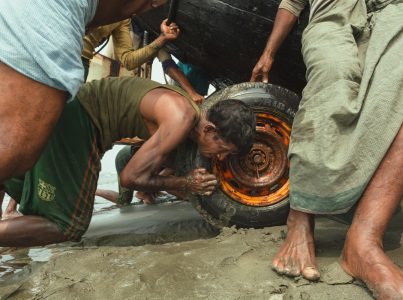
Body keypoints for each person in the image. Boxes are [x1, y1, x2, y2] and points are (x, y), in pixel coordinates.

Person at [251, 0, 403, 298]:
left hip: (393, 9)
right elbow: (291, 4)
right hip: (334, 14)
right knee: (334, 76)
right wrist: (268, 53)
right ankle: (300, 218)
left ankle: (364, 242)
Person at [0, 76, 256, 247]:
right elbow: (129, 178)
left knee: (17, 178)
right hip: (82, 120)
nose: (221, 158)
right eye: (223, 149)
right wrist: (185, 182)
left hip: (76, 109)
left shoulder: (189, 117)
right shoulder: (181, 118)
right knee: (67, 226)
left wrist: (174, 182)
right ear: (210, 130)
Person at [0, 0, 167, 185]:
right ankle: (15, 204)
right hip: (51, 36)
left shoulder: (122, 20)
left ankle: (25, 198)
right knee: (17, 147)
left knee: (38, 142)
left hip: (78, 62)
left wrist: (161, 40)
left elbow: (127, 59)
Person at [83, 18, 204, 103]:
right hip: (108, 78)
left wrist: (192, 92)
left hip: (128, 88)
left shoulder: (152, 34)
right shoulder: (124, 20)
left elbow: (168, 65)